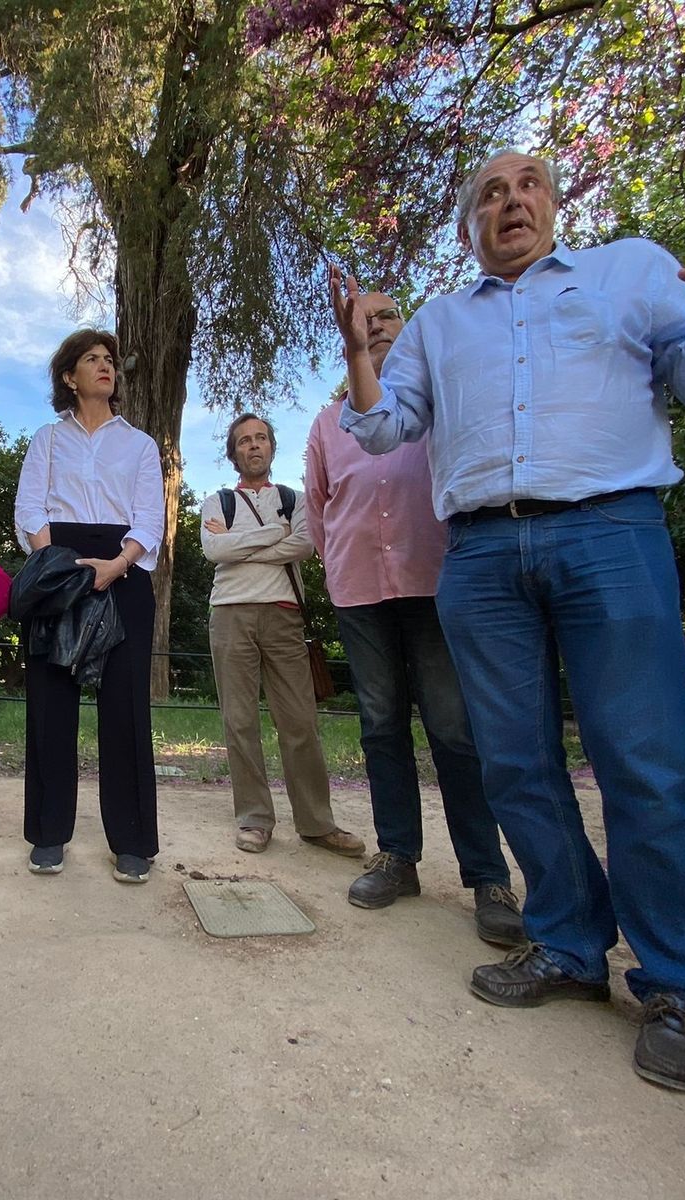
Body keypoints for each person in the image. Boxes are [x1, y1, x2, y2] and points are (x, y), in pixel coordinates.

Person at [331, 150, 685, 1091]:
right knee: (514, 761)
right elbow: (381, 428)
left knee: (641, 761)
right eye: (489, 191)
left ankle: (682, 986)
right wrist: (362, 350)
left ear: (555, 203)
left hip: (612, 531)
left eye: (527, 184)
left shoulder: (633, 270)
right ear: (468, 226)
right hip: (482, 555)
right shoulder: (439, 324)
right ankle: (567, 945)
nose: (510, 199)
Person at [304, 295, 523, 948]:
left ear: (413, 331)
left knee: (454, 728)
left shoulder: (439, 409)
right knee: (380, 722)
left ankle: (487, 877)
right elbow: (317, 509)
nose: (373, 324)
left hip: (436, 582)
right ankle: (398, 856)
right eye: (361, 316)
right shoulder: (326, 422)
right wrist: (342, 566)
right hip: (358, 590)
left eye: (388, 314)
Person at [14, 329, 164, 884]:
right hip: (61, 568)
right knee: (51, 704)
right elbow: (30, 508)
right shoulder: (47, 441)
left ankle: (132, 841)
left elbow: (151, 518)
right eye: (91, 360)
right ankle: (48, 834)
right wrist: (59, 566)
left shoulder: (141, 444)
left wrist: (117, 565)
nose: (105, 366)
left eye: (109, 360)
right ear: (69, 377)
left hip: (123, 571)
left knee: (126, 708)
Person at [200, 413, 364, 860]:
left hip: (284, 615)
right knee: (240, 721)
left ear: (272, 447)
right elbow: (214, 550)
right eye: (243, 441)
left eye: (260, 439)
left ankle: (316, 823)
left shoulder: (294, 499)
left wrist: (245, 541)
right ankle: (254, 818)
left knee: (299, 721)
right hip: (230, 614)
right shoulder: (217, 502)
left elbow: (305, 545)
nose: (253, 446)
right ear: (233, 453)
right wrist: (275, 533)